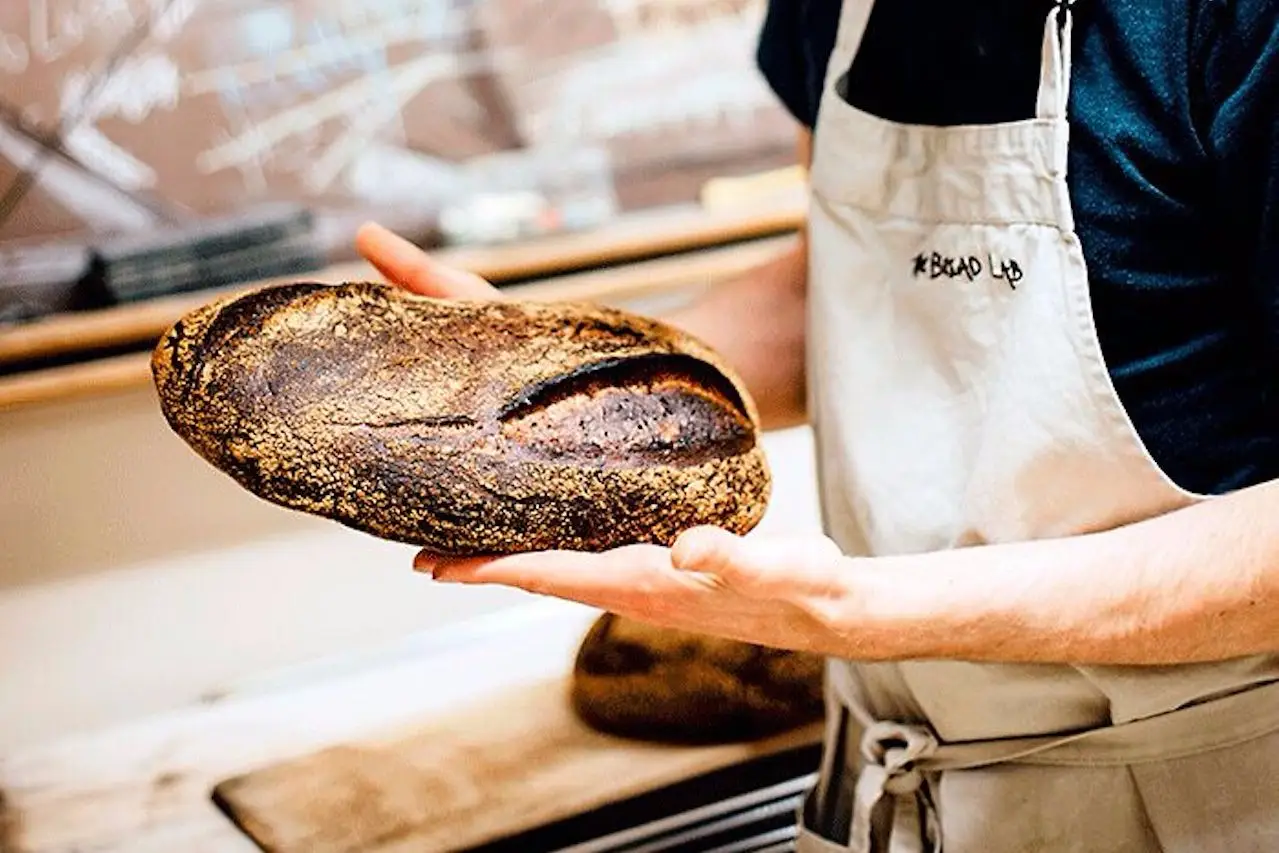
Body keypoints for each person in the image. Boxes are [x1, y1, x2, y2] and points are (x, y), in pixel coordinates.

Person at [355, 0, 1279, 849]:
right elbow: (833, 290)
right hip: (890, 781)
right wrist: (563, 385)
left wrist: (859, 612)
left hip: (1204, 791)